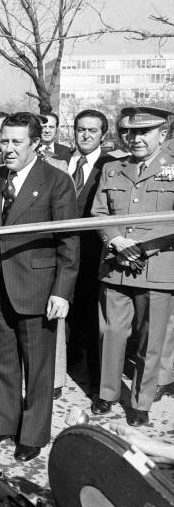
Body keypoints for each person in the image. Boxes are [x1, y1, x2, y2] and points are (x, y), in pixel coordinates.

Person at [0, 112, 79, 462]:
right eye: (4, 142)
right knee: (2, 362)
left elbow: (69, 241)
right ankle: (4, 423)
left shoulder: (56, 181)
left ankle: (32, 434)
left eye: (17, 142)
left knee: (38, 365)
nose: (9, 149)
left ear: (35, 143)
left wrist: (61, 290)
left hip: (37, 286)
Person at [90, 106, 174, 427]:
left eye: (143, 132)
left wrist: (141, 246)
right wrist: (115, 242)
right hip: (116, 265)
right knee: (110, 332)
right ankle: (107, 393)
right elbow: (99, 214)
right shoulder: (113, 169)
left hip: (157, 269)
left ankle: (141, 401)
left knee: (151, 340)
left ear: (162, 135)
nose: (134, 138)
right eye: (129, 132)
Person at [64, 110, 113, 393]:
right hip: (61, 252)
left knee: (92, 321)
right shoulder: (61, 163)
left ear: (102, 135)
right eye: (81, 129)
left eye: (92, 131)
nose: (85, 135)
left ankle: (95, 384)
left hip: (92, 255)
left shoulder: (110, 165)